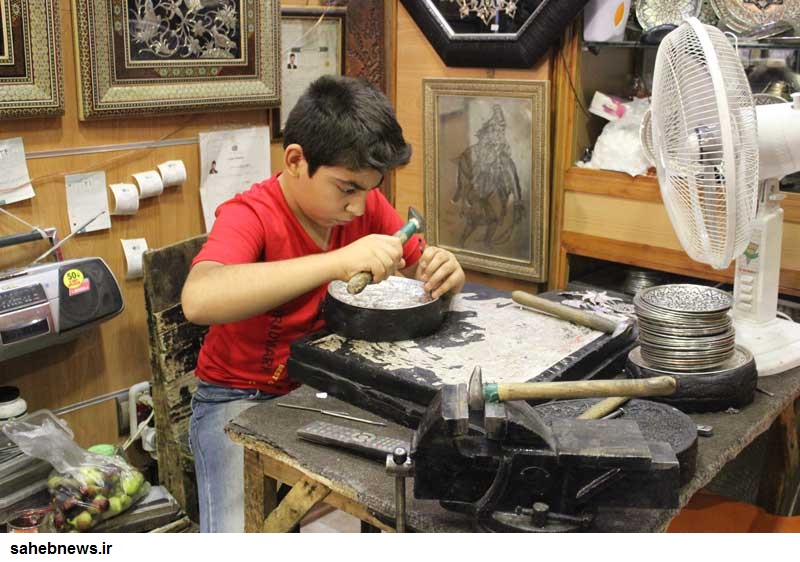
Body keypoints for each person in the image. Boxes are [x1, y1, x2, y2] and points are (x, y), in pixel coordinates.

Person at [181, 75, 465, 532]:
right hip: (239, 394)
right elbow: (199, 298)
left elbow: (417, 269)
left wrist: (445, 271)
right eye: (346, 188)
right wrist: (333, 262)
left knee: (412, 500)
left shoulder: (364, 206)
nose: (357, 207)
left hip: (328, 386)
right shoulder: (250, 214)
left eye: (369, 189)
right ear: (296, 160)